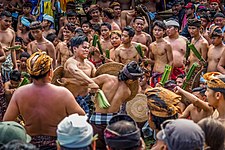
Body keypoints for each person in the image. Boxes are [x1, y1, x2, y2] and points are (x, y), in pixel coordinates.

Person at [3, 51, 85, 149]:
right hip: (56, 143)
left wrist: (23, 128)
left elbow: (7, 121)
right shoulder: (63, 93)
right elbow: (81, 117)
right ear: (50, 72)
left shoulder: (19, 93)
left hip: (30, 143)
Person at [89, 61, 144, 149]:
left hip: (97, 120)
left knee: (96, 147)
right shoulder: (128, 92)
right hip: (112, 124)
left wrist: (94, 90)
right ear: (130, 80)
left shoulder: (106, 78)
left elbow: (88, 82)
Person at [63, 36, 99, 114]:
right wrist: (91, 83)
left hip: (87, 98)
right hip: (72, 100)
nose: (86, 50)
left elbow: (97, 79)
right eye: (84, 47)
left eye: (88, 48)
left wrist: (70, 80)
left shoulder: (90, 64)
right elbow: (75, 71)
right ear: (75, 49)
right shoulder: (70, 62)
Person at [149, 20, 173, 87]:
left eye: (159, 30)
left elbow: (171, 61)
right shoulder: (151, 45)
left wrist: (167, 75)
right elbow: (153, 60)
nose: (157, 32)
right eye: (155, 30)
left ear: (164, 32)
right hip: (154, 73)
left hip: (163, 73)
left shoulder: (167, 45)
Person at [0, 11, 18, 82]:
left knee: (8, 83)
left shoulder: (12, 32)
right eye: (6, 21)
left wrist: (15, 65)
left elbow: (13, 50)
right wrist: (1, 49)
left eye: (10, 21)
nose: (8, 23)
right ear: (0, 19)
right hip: (0, 59)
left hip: (8, 62)